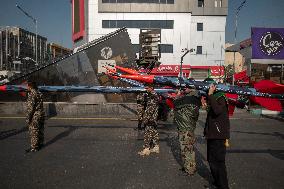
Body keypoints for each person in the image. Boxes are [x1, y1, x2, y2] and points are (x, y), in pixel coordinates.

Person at [204, 84, 230, 189]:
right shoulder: (216, 97)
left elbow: (217, 111)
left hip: (218, 136)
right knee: (211, 160)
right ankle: (218, 183)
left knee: (218, 162)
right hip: (212, 135)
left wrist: (210, 95)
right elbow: (212, 114)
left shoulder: (221, 97)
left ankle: (223, 186)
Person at [172, 88, 201, 175]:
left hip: (185, 128)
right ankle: (188, 166)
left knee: (187, 150)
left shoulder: (189, 98)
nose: (185, 88)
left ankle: (190, 170)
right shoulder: (195, 97)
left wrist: (178, 95)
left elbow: (175, 103)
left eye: (187, 87)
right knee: (187, 149)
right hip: (187, 127)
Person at [138, 85, 160, 156]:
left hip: (150, 118)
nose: (146, 89)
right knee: (154, 131)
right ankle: (156, 147)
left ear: (151, 88)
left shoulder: (152, 96)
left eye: (147, 88)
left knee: (147, 132)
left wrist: (145, 119)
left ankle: (146, 149)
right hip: (153, 118)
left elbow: (150, 110)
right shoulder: (153, 95)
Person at [26, 81, 45, 152]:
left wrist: (28, 118)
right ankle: (40, 144)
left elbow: (31, 108)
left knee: (34, 131)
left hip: (35, 115)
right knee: (40, 129)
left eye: (27, 86)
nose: (27, 87)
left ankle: (34, 147)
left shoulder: (32, 94)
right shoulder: (39, 92)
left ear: (30, 86)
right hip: (41, 113)